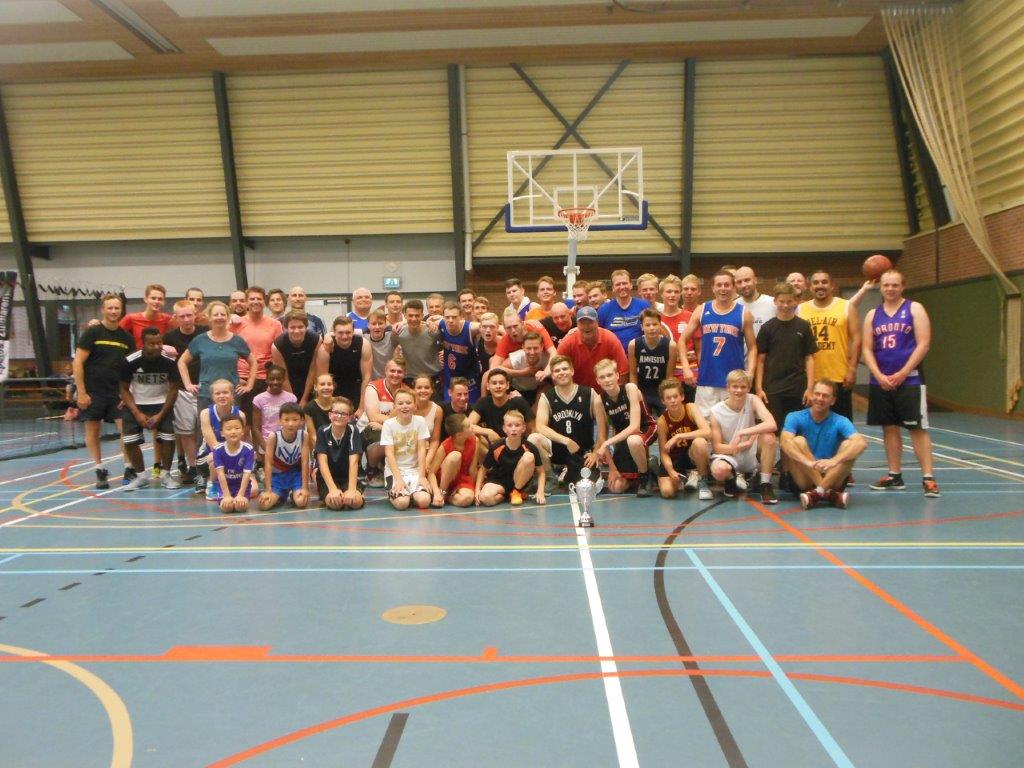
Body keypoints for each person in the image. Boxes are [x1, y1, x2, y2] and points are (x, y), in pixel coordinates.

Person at [863, 269, 940, 497]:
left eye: (894, 285)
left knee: (917, 428)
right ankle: (894, 475)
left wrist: (904, 372)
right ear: (881, 287)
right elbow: (867, 348)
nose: (890, 289)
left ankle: (928, 478)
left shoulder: (914, 308)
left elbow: (923, 344)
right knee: (889, 427)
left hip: (910, 380)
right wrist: (878, 374)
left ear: (902, 286)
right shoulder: (872, 315)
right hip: (881, 381)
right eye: (886, 285)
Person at [73, 293, 135, 489]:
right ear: (103, 309)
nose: (114, 311)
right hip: (93, 392)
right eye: (110, 308)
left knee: (126, 431)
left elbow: (131, 368)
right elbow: (78, 362)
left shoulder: (126, 337)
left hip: (117, 393)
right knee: (93, 430)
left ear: (121, 310)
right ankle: (99, 469)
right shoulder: (92, 333)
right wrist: (81, 392)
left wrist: (128, 393)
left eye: (117, 308)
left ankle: (128, 467)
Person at [680, 270, 757, 419]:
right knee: (705, 424)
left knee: (732, 424)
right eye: (719, 285)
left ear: (733, 287)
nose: (723, 288)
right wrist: (686, 368)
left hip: (734, 381)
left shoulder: (743, 313)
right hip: (707, 379)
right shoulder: (702, 310)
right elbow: (682, 340)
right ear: (713, 288)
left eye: (727, 285)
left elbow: (752, 347)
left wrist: (751, 372)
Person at [781, 380, 867, 509]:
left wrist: (835, 460)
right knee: (798, 441)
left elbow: (861, 443)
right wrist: (808, 463)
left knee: (849, 445)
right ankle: (829, 494)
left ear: (833, 401)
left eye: (825, 396)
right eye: (817, 394)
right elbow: (784, 442)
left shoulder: (840, 420)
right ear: (811, 395)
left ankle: (818, 492)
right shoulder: (795, 417)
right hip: (804, 478)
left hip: (831, 476)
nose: (820, 398)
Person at [529, 355, 607, 486]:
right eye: (557, 370)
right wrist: (566, 441)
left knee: (589, 485)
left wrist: (595, 453)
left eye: (565, 369)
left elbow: (602, 426)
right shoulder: (546, 397)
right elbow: (540, 427)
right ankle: (550, 476)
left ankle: (570, 472)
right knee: (533, 438)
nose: (561, 372)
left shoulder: (589, 393)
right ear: (552, 375)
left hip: (581, 451)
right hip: (557, 450)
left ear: (572, 371)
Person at [119, 327, 181, 490]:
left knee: (168, 438)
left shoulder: (169, 362)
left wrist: (161, 414)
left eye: (159, 343)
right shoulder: (130, 361)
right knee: (129, 440)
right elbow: (123, 388)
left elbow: (174, 389)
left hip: (161, 404)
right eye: (152, 344)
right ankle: (141, 477)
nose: (157, 347)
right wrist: (137, 413)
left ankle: (166, 475)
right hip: (137, 404)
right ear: (143, 343)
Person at [798, 270, 865, 421]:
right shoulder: (801, 309)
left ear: (832, 285)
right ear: (810, 287)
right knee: (810, 426)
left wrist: (853, 369)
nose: (820, 286)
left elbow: (857, 340)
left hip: (839, 376)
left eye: (824, 282)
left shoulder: (846, 306)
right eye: (816, 283)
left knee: (841, 424)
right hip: (810, 379)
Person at [755, 283, 817, 437]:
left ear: (795, 301)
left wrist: (810, 388)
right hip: (772, 389)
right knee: (772, 432)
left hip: (797, 388)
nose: (785, 305)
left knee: (795, 432)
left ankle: (788, 455)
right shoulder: (767, 328)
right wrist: (759, 388)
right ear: (775, 301)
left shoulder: (803, 326)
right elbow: (760, 360)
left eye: (789, 301)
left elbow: (809, 358)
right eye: (781, 301)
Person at [709, 370, 778, 503]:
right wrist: (741, 446)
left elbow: (772, 424)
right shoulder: (716, 411)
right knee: (719, 470)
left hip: (750, 451)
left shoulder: (753, 400)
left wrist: (743, 432)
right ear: (727, 387)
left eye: (743, 387)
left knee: (769, 438)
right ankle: (731, 479)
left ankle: (765, 484)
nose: (739, 390)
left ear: (749, 388)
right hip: (729, 453)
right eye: (735, 386)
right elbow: (717, 447)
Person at [178, 300, 256, 413]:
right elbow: (182, 362)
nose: (219, 317)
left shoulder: (237, 341)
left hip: (231, 395)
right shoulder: (200, 340)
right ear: (209, 318)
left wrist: (249, 385)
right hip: (206, 395)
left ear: (228, 317)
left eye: (223, 314)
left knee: (232, 424)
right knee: (205, 423)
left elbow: (253, 362)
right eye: (216, 314)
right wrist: (188, 384)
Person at [594, 358, 656, 496]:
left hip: (645, 428)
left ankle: (645, 477)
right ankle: (648, 466)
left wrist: (607, 443)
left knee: (633, 440)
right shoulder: (599, 401)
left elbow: (635, 427)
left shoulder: (630, 389)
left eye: (609, 375)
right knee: (616, 487)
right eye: (602, 377)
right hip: (622, 437)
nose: (607, 380)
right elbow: (602, 436)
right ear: (597, 381)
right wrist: (612, 468)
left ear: (617, 376)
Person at [164, 299, 208, 483]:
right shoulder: (169, 338)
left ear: (195, 315)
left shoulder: (205, 333)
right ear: (176, 317)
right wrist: (162, 348)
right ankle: (193, 467)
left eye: (189, 315)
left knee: (206, 430)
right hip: (182, 390)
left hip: (206, 388)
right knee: (186, 431)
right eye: (182, 316)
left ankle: (207, 465)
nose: (186, 319)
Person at [656, 379, 712, 500]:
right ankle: (655, 470)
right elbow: (664, 452)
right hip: (675, 458)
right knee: (667, 492)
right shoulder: (662, 421)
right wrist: (670, 471)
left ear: (682, 397)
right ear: (663, 401)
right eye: (668, 398)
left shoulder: (690, 408)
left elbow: (707, 431)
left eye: (675, 396)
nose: (673, 400)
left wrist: (679, 436)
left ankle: (703, 481)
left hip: (691, 455)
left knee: (700, 442)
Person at [477, 410, 545, 506]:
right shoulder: (496, 447)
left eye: (517, 425)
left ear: (523, 428)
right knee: (485, 498)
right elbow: (483, 469)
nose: (513, 429)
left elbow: (541, 472)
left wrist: (540, 492)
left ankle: (516, 491)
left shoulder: (530, 448)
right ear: (504, 429)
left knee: (529, 457)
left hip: (519, 481)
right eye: (509, 425)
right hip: (499, 481)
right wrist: (477, 490)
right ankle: (508, 496)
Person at [235, 286, 284, 420]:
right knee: (244, 421)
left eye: (259, 299)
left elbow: (278, 354)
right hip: (242, 378)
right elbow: (229, 352)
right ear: (246, 302)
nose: (255, 301)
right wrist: (235, 376)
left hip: (266, 379)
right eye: (252, 299)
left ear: (264, 302)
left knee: (266, 420)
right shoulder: (236, 324)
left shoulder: (275, 325)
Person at [381, 387, 432, 510]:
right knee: (402, 504)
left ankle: (413, 493)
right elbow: (389, 454)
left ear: (415, 406)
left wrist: (422, 476)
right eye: (400, 403)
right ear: (394, 406)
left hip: (414, 471)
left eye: (408, 403)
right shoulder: (388, 425)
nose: (404, 406)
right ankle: (396, 492)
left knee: (424, 501)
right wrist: (399, 480)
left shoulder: (420, 421)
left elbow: (421, 450)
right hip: (395, 472)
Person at [555, 305, 627, 391]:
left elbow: (623, 371)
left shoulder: (610, 338)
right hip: (577, 393)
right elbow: (556, 372)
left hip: (607, 392)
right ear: (577, 324)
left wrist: (615, 394)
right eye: (582, 323)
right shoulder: (568, 342)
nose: (586, 326)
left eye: (590, 322)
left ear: (597, 322)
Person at [359, 357, 406, 486]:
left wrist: (387, 425)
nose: (395, 374)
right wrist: (396, 421)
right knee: (380, 435)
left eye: (399, 371)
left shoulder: (407, 391)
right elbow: (373, 417)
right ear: (385, 371)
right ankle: (371, 469)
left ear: (404, 373)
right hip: (368, 430)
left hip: (391, 428)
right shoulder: (373, 387)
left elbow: (408, 419)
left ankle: (386, 466)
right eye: (392, 371)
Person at [197, 379, 245, 499]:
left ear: (232, 394)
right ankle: (212, 483)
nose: (222, 396)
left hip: (233, 453)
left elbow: (240, 440)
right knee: (214, 458)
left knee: (253, 490)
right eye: (217, 393)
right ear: (212, 397)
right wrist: (228, 457)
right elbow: (214, 445)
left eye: (225, 392)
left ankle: (232, 481)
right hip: (210, 454)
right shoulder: (206, 414)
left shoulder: (240, 415)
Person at [258, 402, 310, 511]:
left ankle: (293, 493)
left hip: (295, 475)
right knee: (264, 505)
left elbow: (305, 462)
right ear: (280, 420)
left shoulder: (303, 435)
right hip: (278, 476)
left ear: (301, 421)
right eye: (286, 420)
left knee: (301, 502)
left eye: (295, 420)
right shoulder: (274, 437)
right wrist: (268, 490)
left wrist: (305, 488)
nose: (290, 424)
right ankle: (282, 493)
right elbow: (268, 464)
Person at [314, 397, 364, 510]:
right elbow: (322, 462)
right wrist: (332, 489)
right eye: (336, 412)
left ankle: (356, 492)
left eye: (343, 414)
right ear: (330, 415)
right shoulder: (322, 431)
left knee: (355, 502)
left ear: (350, 417)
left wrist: (351, 490)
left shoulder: (353, 430)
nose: (339, 416)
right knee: (335, 503)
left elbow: (354, 462)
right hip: (329, 478)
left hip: (348, 477)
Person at [469, 368, 534, 451]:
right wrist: (489, 432)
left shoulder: (518, 402)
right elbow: (468, 425)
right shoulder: (483, 402)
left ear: (507, 385)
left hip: (518, 447)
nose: (498, 386)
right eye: (494, 383)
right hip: (494, 447)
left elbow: (533, 429)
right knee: (474, 438)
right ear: (488, 386)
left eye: (501, 383)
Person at [317, 316, 371, 416]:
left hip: (356, 389)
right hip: (333, 391)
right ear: (334, 332)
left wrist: (361, 407)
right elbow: (321, 380)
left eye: (348, 332)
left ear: (353, 331)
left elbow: (366, 378)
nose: (344, 336)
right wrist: (325, 406)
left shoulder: (363, 344)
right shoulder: (326, 347)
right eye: (340, 333)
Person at [628, 308, 677, 417]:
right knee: (641, 419)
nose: (651, 328)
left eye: (655, 324)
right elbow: (633, 374)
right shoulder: (634, 345)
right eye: (647, 325)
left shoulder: (670, 345)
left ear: (660, 325)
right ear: (642, 327)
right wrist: (634, 394)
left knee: (667, 419)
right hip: (642, 390)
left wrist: (668, 395)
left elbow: (669, 376)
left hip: (661, 390)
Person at [250, 365, 297, 473]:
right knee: (271, 474)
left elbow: (295, 423)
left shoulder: (291, 398)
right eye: (272, 379)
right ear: (266, 380)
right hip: (266, 442)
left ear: (283, 380)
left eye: (278, 379)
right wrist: (266, 448)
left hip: (287, 442)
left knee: (287, 473)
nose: (275, 382)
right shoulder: (258, 400)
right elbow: (256, 428)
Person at [428, 412, 478, 508]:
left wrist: (475, 489)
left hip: (462, 479)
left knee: (467, 498)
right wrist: (437, 492)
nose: (472, 427)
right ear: (459, 435)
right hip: (445, 480)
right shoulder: (445, 446)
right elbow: (431, 473)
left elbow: (473, 468)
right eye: (468, 426)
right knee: (455, 456)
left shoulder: (475, 440)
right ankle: (442, 493)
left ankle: (447, 497)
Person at [209, 413, 256, 513]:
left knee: (240, 507)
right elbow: (220, 474)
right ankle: (221, 495)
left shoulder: (248, 449)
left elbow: (247, 474)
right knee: (227, 508)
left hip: (241, 485)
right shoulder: (217, 450)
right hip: (226, 486)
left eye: (237, 428)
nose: (233, 431)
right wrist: (226, 495)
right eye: (229, 429)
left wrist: (240, 495)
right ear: (222, 433)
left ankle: (241, 497)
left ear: (243, 431)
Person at [271, 310, 319, 405]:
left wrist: (305, 399)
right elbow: (284, 376)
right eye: (292, 327)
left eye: (300, 327)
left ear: (306, 327)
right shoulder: (278, 346)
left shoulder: (316, 340)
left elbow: (313, 370)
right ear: (286, 328)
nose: (296, 331)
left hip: (310, 381)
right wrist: (293, 401)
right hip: (289, 382)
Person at [598, 269, 650, 351]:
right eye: (618, 284)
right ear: (613, 288)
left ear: (631, 285)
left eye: (625, 283)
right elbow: (599, 336)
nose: (622, 287)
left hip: (640, 354)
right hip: (613, 355)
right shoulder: (604, 310)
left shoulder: (644, 306)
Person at [392, 299, 442, 384]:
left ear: (422, 316)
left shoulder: (433, 331)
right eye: (410, 315)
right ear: (405, 315)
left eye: (417, 315)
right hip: (409, 378)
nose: (414, 319)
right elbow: (392, 350)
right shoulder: (398, 333)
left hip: (432, 377)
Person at [439, 301, 480, 402]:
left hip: (469, 380)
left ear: (461, 316)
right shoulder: (441, 324)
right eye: (447, 317)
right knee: (450, 409)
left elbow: (492, 325)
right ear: (443, 317)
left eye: (454, 317)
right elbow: (423, 322)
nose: (450, 320)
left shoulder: (470, 328)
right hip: (450, 380)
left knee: (470, 408)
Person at [496, 331, 550, 405]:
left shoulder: (546, 358)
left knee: (546, 388)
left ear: (541, 347)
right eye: (528, 348)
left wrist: (545, 373)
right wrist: (523, 373)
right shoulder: (516, 358)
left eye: (535, 348)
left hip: (536, 390)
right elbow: (498, 370)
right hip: (516, 390)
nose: (532, 352)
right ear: (523, 347)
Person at [734, 266, 777, 341]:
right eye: (739, 282)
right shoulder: (732, 306)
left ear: (755, 280)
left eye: (747, 280)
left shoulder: (773, 303)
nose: (743, 285)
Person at [304, 372, 337, 451]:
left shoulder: (340, 404)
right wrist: (324, 452)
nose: (326, 387)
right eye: (322, 384)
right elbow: (313, 436)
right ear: (315, 387)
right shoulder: (308, 408)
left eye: (329, 384)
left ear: (333, 386)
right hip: (319, 447)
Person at [364, 309, 395, 380]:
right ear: (368, 325)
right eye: (373, 324)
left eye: (380, 323)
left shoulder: (392, 335)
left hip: (390, 379)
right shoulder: (363, 336)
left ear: (386, 324)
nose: (377, 327)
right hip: (371, 380)